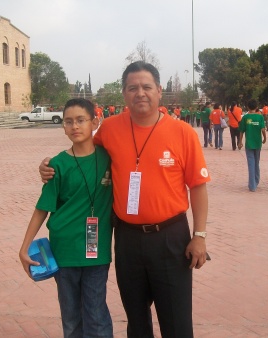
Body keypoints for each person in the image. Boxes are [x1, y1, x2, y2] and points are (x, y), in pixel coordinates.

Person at [39, 61, 210, 338]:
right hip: (127, 239)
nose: (140, 93)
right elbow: (80, 154)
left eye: (146, 87)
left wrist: (199, 235)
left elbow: (198, 187)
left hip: (171, 238)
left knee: (176, 321)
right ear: (124, 93)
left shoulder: (182, 133)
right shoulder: (109, 129)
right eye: (133, 88)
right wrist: (50, 165)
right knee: (136, 319)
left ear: (159, 90)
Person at [19, 98, 114, 338]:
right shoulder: (58, 165)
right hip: (64, 252)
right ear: (63, 126)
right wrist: (24, 247)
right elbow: (43, 207)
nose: (75, 126)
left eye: (81, 120)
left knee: (96, 314)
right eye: (68, 121)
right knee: (71, 317)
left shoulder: (110, 159)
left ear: (94, 121)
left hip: (96, 252)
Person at [238, 99, 266, 192]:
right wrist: (265, 138)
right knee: (256, 162)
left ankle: (252, 185)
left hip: (249, 144)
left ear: (247, 107)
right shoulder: (260, 117)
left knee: (251, 164)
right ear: (257, 107)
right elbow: (263, 129)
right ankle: (256, 181)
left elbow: (241, 131)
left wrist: (240, 141)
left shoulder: (245, 118)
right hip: (258, 143)